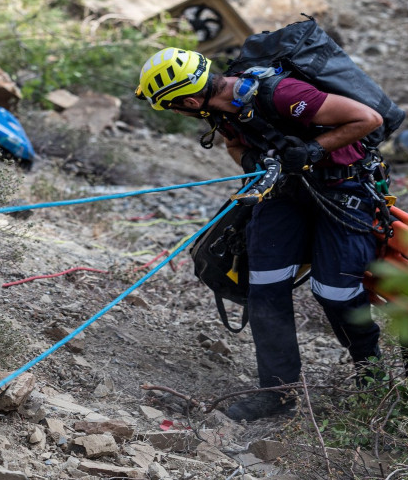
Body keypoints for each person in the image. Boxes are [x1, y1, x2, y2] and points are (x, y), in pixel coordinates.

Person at [134, 48, 388, 421]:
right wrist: (252, 162)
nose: (176, 114)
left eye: (173, 107)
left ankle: (372, 377)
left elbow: (366, 118)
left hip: (343, 190)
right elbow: (236, 144)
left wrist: (311, 150)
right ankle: (277, 391)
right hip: (285, 194)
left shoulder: (283, 94)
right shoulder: (220, 110)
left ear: (189, 100)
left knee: (335, 292)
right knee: (265, 288)